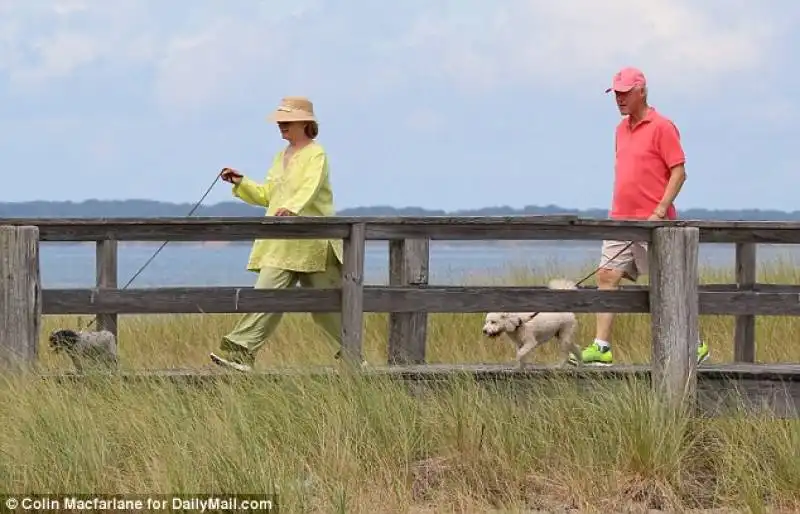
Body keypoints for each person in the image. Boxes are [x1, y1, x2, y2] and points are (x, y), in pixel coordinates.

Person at [570, 67, 709, 367]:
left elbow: (679, 172)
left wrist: (659, 211)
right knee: (606, 276)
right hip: (620, 218)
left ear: (641, 91)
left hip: (654, 224)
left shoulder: (662, 126)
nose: (619, 98)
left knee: (667, 282)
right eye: (616, 93)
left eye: (624, 93)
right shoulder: (620, 130)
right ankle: (601, 347)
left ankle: (695, 343)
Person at [210, 96, 361, 372]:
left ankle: (353, 357)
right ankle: (242, 353)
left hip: (313, 242)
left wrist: (292, 209)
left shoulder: (317, 154)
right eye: (280, 121)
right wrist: (241, 183)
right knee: (266, 293)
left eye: (286, 121)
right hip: (281, 243)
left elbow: (310, 187)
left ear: (304, 122)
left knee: (325, 307)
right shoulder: (280, 157)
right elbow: (269, 195)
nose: (281, 126)